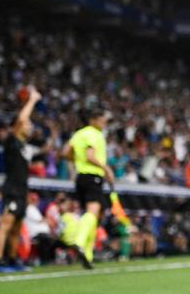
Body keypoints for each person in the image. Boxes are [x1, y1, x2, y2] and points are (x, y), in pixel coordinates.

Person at [0, 85, 40, 272]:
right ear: (17, 126)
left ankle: (13, 260)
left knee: (17, 227)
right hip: (11, 190)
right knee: (6, 224)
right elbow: (21, 118)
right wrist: (32, 100)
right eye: (27, 124)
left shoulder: (24, 147)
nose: (29, 126)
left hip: (21, 191)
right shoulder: (11, 141)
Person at [62, 106, 114, 269]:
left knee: (93, 216)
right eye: (102, 120)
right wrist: (106, 168)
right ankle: (79, 241)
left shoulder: (78, 134)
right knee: (93, 211)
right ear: (93, 120)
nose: (104, 123)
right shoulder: (94, 134)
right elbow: (90, 156)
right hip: (93, 176)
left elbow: (66, 152)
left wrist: (77, 161)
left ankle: (88, 255)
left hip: (81, 177)